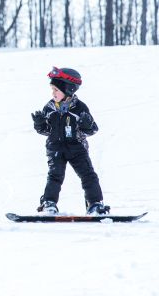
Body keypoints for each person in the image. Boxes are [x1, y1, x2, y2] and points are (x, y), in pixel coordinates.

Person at [31, 67, 109, 215]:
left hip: (77, 148)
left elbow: (92, 130)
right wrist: (40, 124)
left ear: (68, 89)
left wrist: (86, 125)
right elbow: (46, 131)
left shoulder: (80, 108)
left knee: (88, 175)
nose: (53, 93)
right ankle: (49, 203)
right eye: (52, 89)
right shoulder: (49, 107)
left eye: (56, 90)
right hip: (55, 148)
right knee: (55, 176)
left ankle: (95, 204)